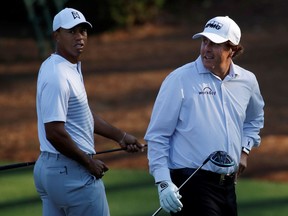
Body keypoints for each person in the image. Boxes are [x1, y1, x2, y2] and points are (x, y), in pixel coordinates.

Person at [145, 16, 264, 216]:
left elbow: (254, 120)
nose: (206, 49)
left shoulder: (247, 81)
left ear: (232, 49)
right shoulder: (179, 79)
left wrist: (244, 151)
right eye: (204, 41)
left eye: (215, 44)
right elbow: (158, 135)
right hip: (190, 183)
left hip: (227, 186)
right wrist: (163, 182)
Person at [33, 8, 144, 216]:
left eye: (83, 31)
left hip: (52, 170)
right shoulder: (58, 75)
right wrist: (88, 162)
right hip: (71, 173)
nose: (80, 37)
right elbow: (54, 132)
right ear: (56, 35)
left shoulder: (63, 66)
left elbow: (83, 115)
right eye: (72, 31)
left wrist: (120, 136)